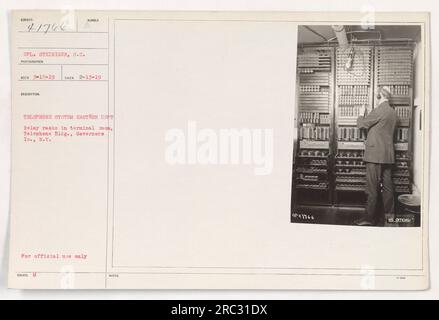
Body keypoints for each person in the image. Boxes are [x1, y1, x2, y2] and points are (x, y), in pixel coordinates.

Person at [355, 86, 398, 226]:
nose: (376, 97)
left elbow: (361, 125)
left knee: (372, 188)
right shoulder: (393, 112)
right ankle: (390, 218)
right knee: (387, 187)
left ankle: (369, 218)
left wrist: (361, 113)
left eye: (376, 95)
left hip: (375, 156)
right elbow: (381, 131)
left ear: (380, 95)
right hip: (387, 155)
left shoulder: (379, 110)